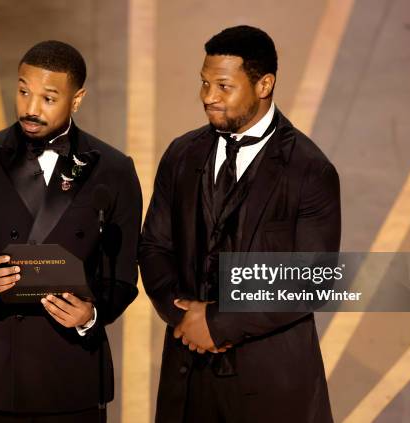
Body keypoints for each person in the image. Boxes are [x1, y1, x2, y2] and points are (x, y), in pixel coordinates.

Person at [0, 40, 142, 422]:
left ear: (77, 100)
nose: (31, 108)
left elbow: (122, 279)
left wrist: (90, 315)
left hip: (71, 379)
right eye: (24, 91)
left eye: (48, 98)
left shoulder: (113, 170)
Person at [139, 26, 341, 422]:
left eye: (223, 86)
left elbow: (313, 278)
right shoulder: (181, 154)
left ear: (264, 84)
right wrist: (183, 317)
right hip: (188, 379)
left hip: (272, 387)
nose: (208, 97)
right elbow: (154, 247)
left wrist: (216, 323)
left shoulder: (310, 170)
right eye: (204, 83)